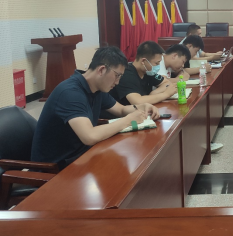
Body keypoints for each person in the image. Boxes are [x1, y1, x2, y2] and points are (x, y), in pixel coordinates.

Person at [31, 47, 159, 169]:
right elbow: (89, 136)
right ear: (101, 70)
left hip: (82, 155)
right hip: (57, 167)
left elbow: (121, 110)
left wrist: (142, 106)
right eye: (117, 75)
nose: (117, 82)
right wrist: (128, 120)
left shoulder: (96, 88)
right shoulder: (70, 93)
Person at [110, 41, 178, 106]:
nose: (158, 66)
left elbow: (166, 83)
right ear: (143, 61)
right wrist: (166, 94)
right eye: (156, 63)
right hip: (124, 113)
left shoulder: (148, 71)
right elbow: (137, 101)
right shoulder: (126, 73)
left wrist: (154, 93)